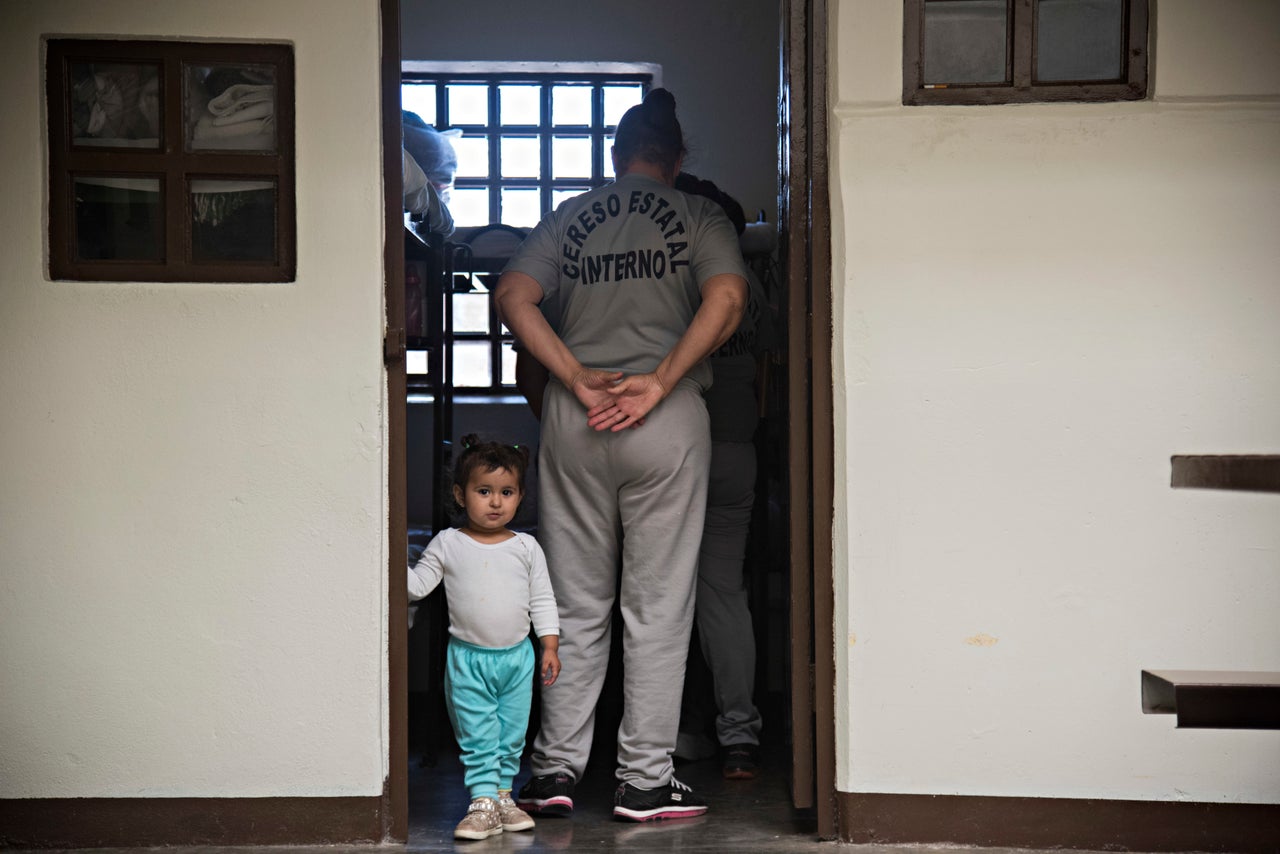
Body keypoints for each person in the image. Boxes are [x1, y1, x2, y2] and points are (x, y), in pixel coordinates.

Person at [494, 88, 749, 823]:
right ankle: (643, 779)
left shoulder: (572, 216)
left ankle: (552, 769)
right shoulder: (698, 215)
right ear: (677, 157)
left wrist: (572, 377)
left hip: (576, 419)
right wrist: (662, 379)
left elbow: (513, 293)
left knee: (573, 604)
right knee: (658, 605)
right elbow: (727, 298)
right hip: (662, 418)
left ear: (616, 155)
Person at [668, 173, 773, 781]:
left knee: (659, 598)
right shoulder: (755, 288)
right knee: (724, 599)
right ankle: (740, 738)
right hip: (737, 450)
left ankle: (678, 733)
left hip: (680, 448)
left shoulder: (686, 281)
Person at [407, 435, 561, 841]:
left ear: (520, 496)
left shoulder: (527, 547)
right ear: (460, 495)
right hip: (469, 661)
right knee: (479, 735)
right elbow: (418, 586)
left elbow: (542, 597)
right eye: (484, 491)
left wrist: (549, 645)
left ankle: (502, 798)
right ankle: (481, 802)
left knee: (511, 733)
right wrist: (387, 557)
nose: (496, 502)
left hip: (518, 658)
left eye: (506, 492)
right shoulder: (449, 543)